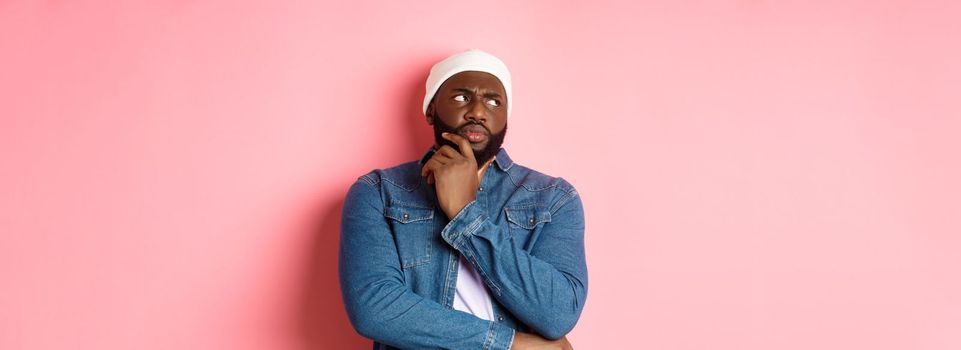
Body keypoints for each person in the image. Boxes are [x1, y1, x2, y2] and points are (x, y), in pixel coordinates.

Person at [339, 49, 587, 350]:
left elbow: (558, 313)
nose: (478, 112)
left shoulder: (552, 198)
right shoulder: (378, 191)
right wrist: (511, 345)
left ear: (506, 116)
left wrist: (465, 215)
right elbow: (374, 308)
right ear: (431, 110)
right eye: (461, 97)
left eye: (493, 101)